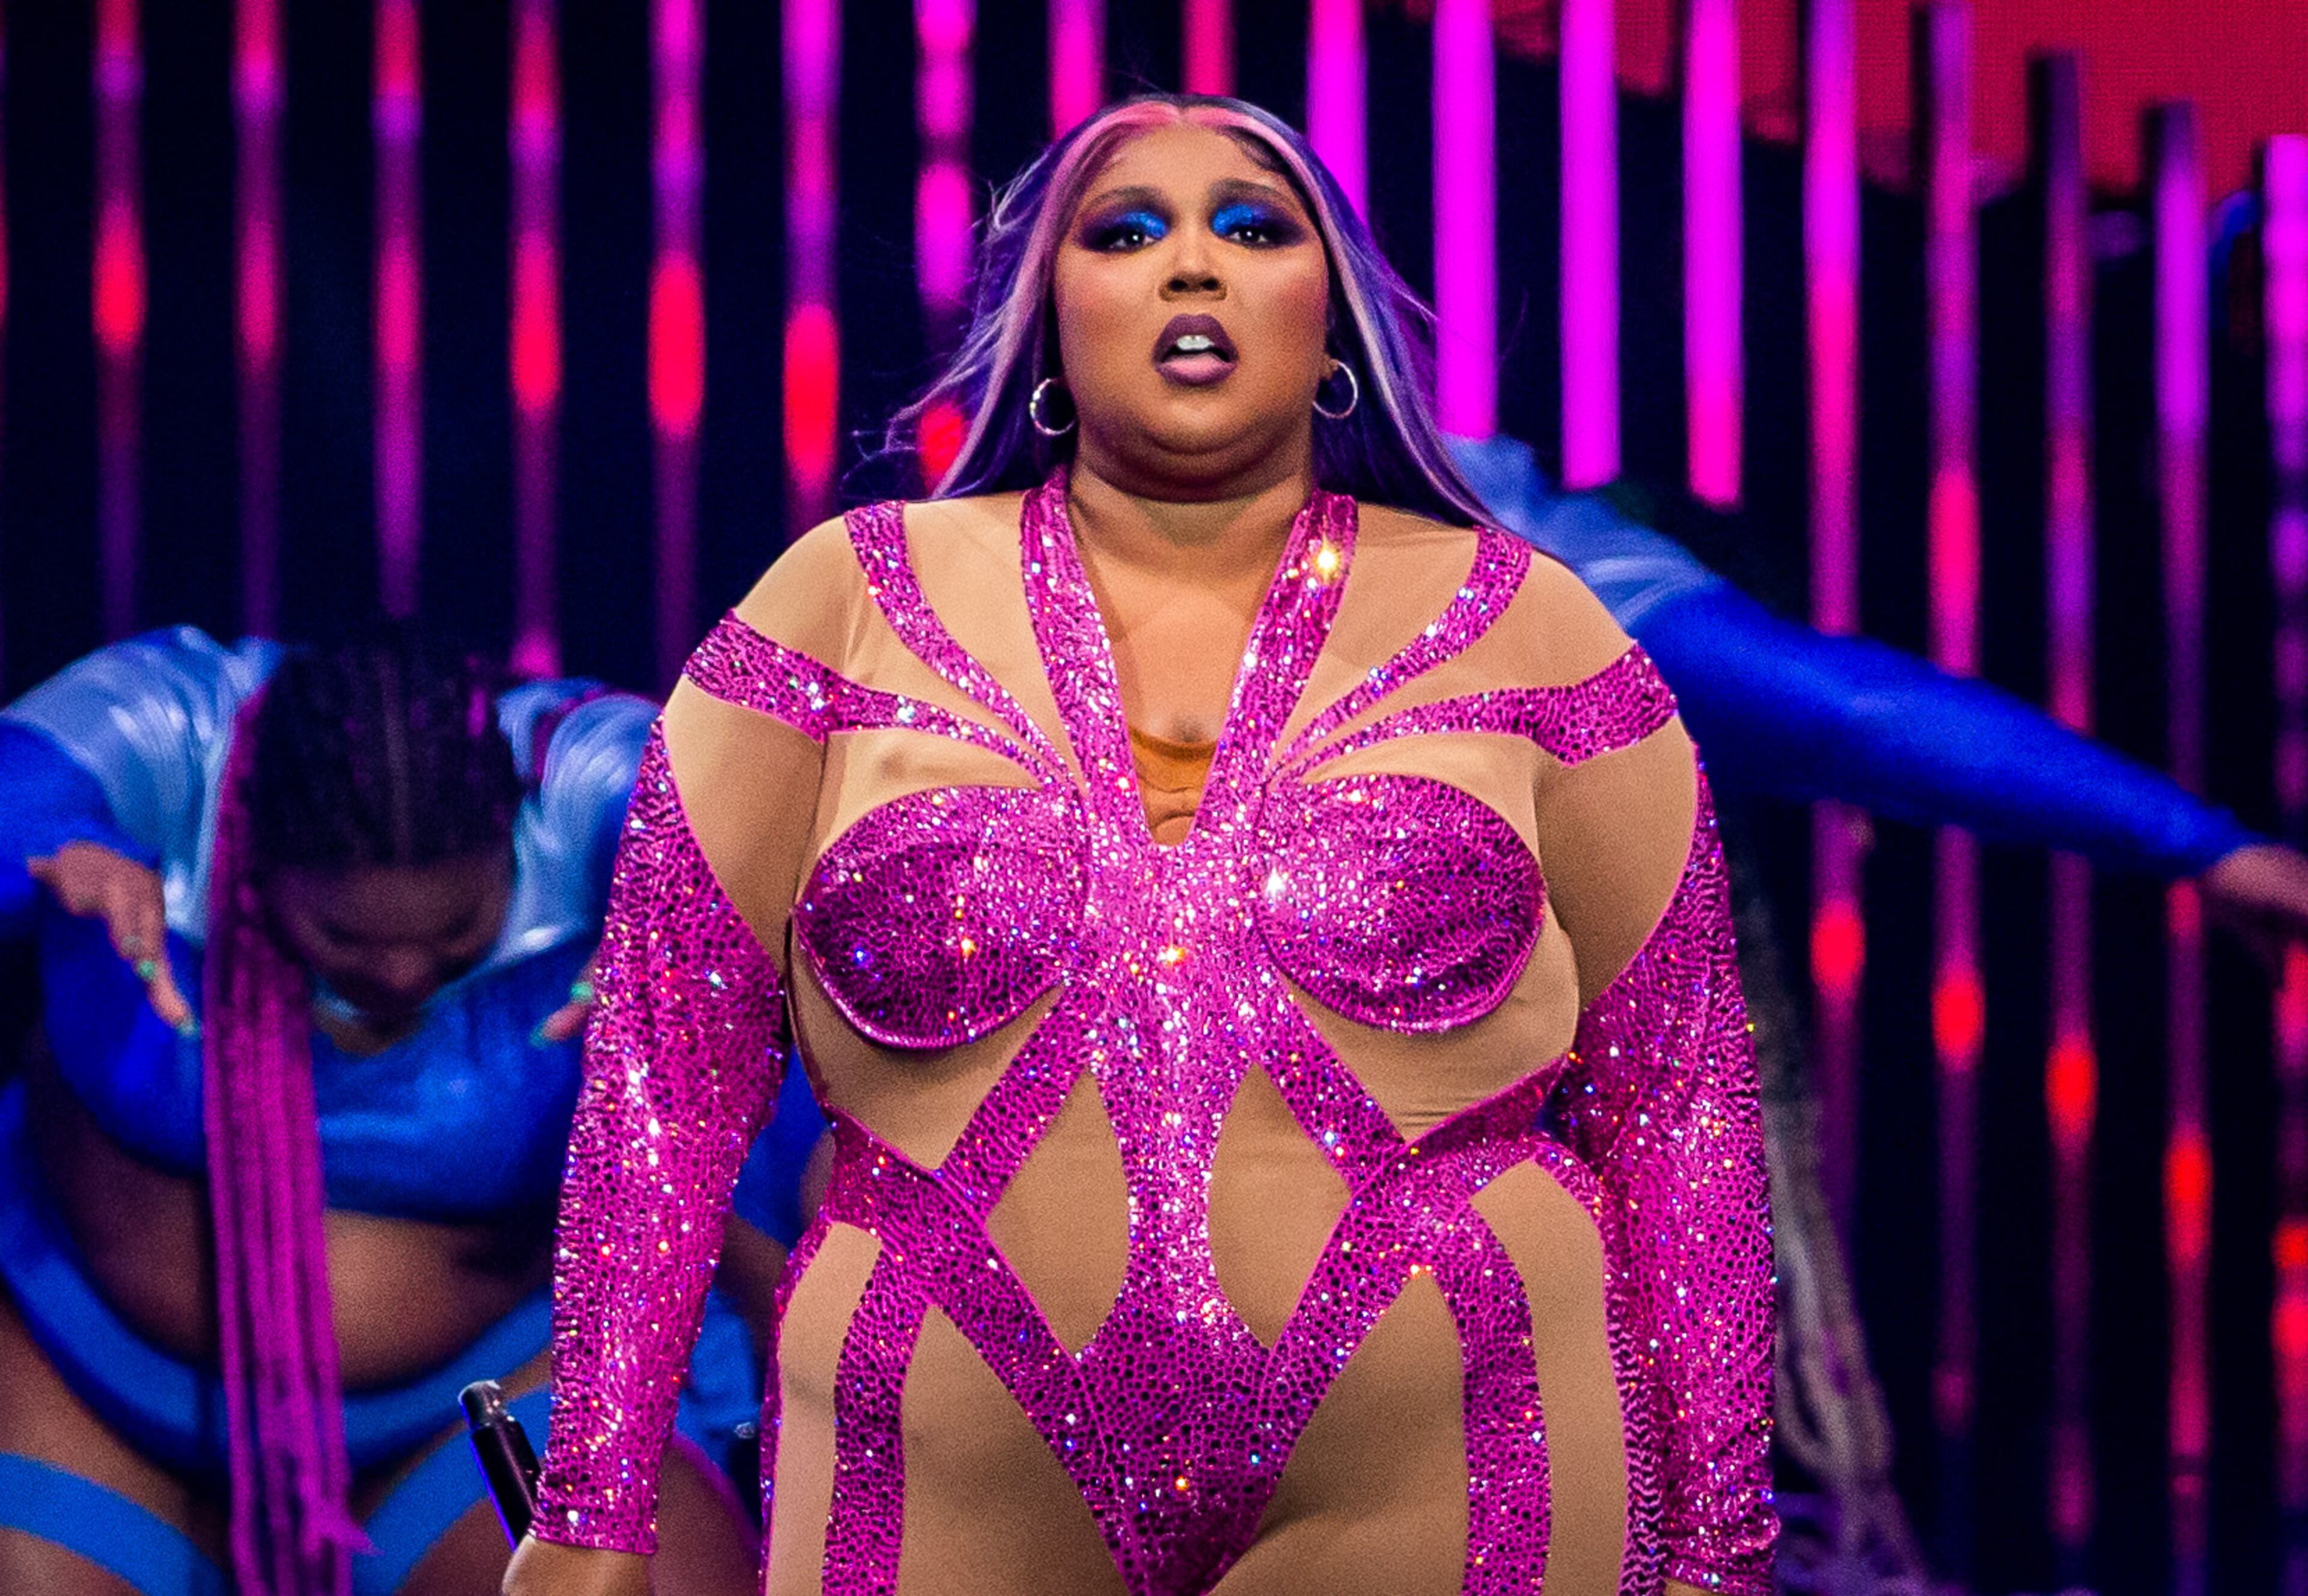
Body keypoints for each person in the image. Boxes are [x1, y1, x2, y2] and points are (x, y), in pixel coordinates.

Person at [508, 93, 1773, 1596]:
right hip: (948, 1455)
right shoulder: (836, 602)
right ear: (1048, 314)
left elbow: (1679, 1092)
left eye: (1252, 227)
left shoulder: (1530, 622)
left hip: (1452, 1443)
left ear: (1336, 318)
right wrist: (589, 1507)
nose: (1193, 266)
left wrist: (1718, 1543)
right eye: (1126, 231)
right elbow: (664, 1070)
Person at [0, 629, 767, 1596]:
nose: (402, 973)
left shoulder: (580, 776)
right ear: (259, 854)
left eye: (455, 933)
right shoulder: (174, 733)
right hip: (86, 1398)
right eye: (346, 937)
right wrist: (50, 846)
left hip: (480, 1401)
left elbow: (757, 842)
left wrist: (693, 920)